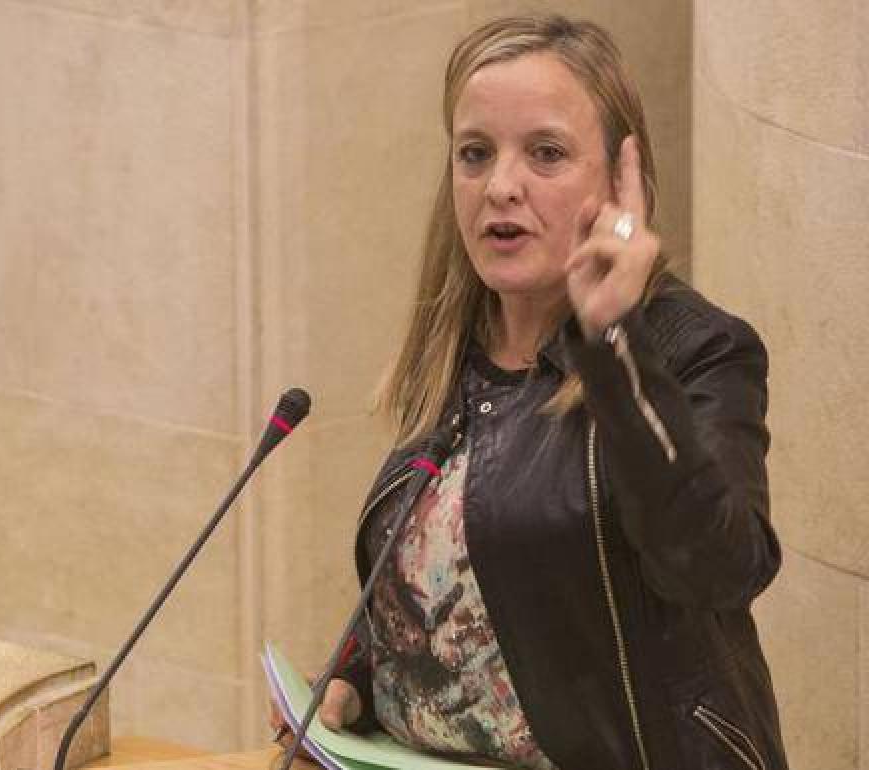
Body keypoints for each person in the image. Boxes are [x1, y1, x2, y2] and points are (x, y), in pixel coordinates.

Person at [270, 14, 786, 770]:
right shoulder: (455, 348)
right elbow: (465, 586)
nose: (501, 186)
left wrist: (614, 345)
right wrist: (360, 680)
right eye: (475, 153)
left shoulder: (691, 349)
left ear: (619, 180)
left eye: (545, 153)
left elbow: (716, 564)